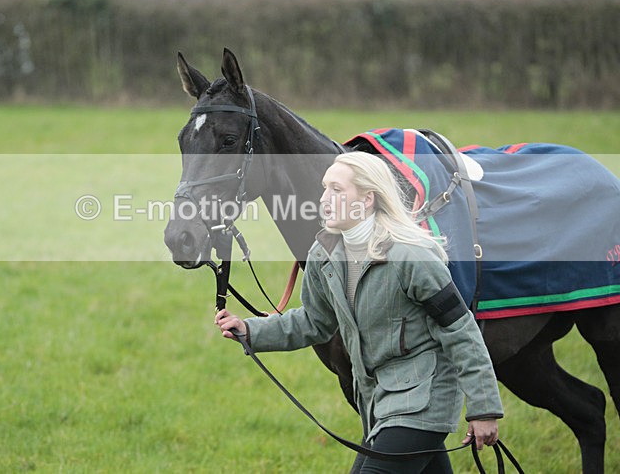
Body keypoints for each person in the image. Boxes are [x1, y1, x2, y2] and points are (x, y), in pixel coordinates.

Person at [215, 151, 503, 474]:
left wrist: (484, 407)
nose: (324, 198)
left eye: (337, 190)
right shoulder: (324, 254)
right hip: (378, 404)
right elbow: (314, 321)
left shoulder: (410, 256)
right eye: (325, 188)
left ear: (367, 200)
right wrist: (251, 330)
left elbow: (460, 329)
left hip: (423, 400)